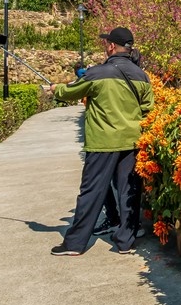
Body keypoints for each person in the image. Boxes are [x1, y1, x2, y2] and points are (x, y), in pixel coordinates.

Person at [49, 27, 153, 256]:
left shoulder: (98, 73)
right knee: (129, 191)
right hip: (132, 142)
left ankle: (75, 243)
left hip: (103, 143)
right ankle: (126, 241)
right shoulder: (141, 76)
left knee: (91, 191)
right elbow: (148, 109)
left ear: (111, 46)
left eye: (106, 43)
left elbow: (70, 92)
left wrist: (56, 89)